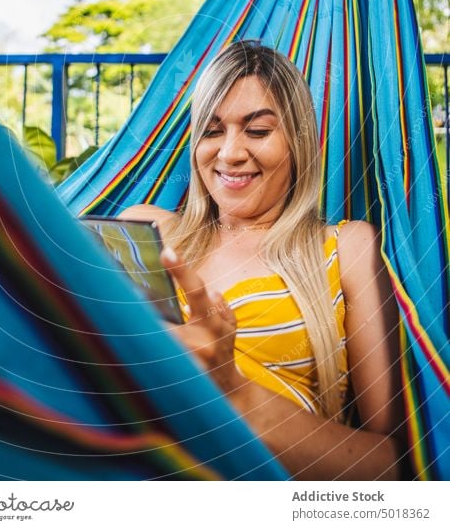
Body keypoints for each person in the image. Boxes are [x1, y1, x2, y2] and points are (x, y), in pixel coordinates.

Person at [119, 40, 409, 480]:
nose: (230, 153)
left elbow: (385, 469)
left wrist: (234, 392)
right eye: (213, 131)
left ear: (298, 141)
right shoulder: (144, 231)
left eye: (257, 131)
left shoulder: (343, 248)